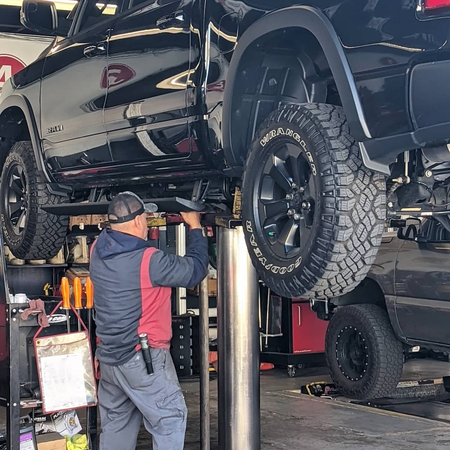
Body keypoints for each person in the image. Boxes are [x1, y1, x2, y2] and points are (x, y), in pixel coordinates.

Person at [89, 191, 208, 450]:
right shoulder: (149, 261)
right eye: (145, 217)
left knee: (116, 429)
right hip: (142, 360)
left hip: (109, 361)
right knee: (169, 420)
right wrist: (195, 227)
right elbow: (195, 270)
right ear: (138, 221)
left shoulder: (96, 249)